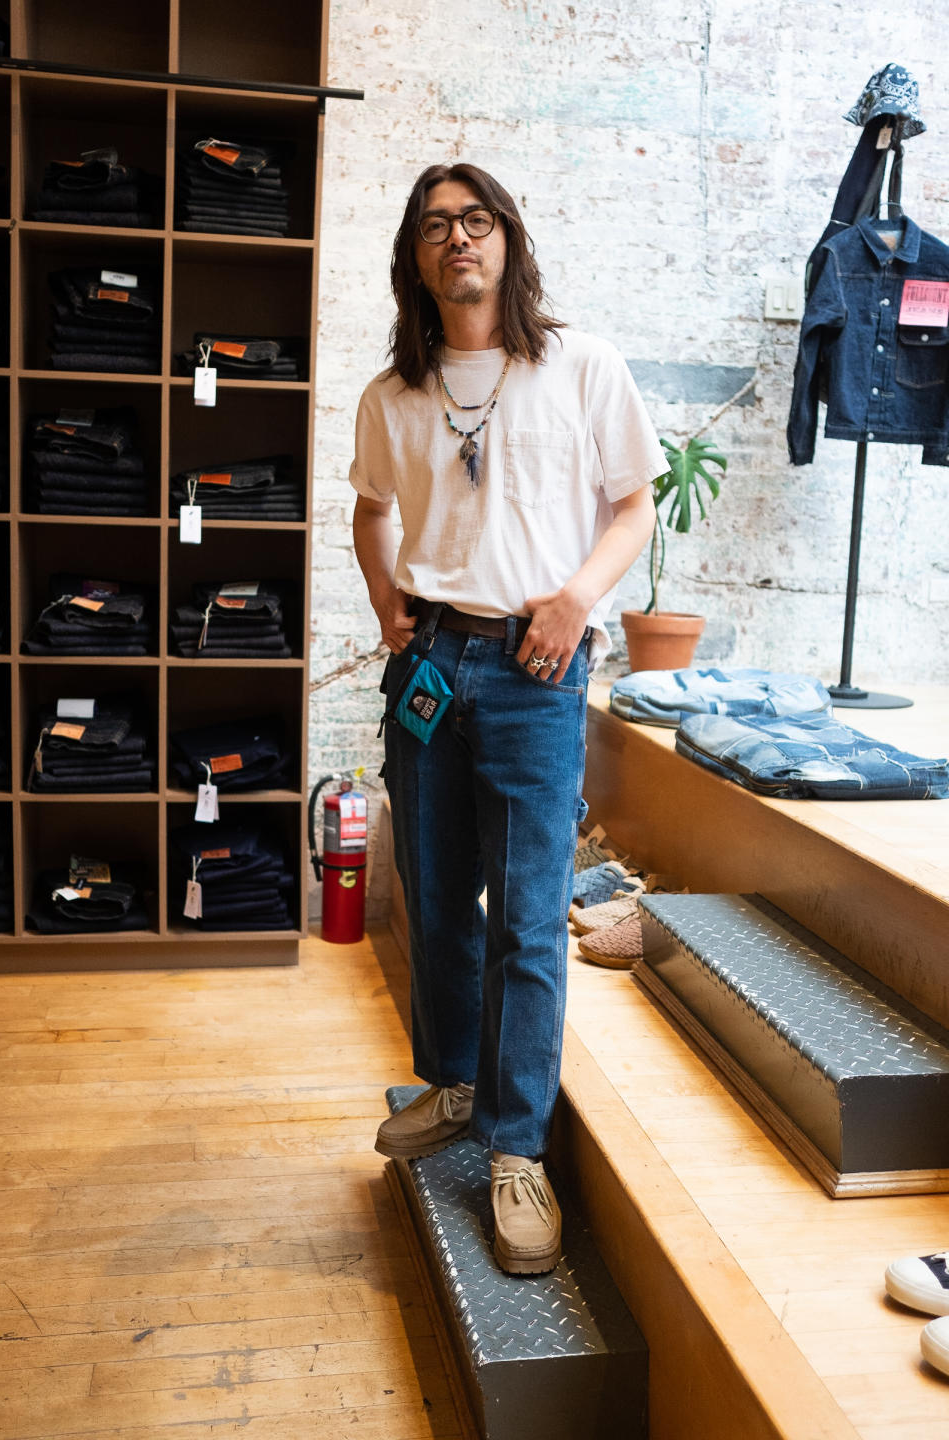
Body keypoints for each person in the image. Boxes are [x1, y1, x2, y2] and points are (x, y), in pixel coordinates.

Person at [350, 162, 665, 1275]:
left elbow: (636, 503)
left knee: (530, 918)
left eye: (474, 220)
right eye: (434, 227)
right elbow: (371, 508)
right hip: (432, 665)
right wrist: (389, 602)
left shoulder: (579, 365)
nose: (457, 241)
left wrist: (580, 600)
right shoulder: (397, 393)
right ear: (416, 257)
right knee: (435, 899)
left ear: (507, 238)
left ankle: (516, 1146)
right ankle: (457, 1082)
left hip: (537, 668)